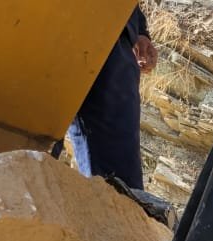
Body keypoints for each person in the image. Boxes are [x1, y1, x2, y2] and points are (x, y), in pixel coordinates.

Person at [67, 5, 157, 189]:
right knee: (27, 147)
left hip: (117, 39)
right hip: (61, 21)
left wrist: (139, 31)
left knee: (120, 176)